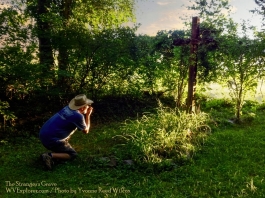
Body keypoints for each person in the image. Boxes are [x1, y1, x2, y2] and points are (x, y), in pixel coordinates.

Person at [39, 94, 93, 170]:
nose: (88, 106)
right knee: (72, 154)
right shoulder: (78, 116)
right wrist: (88, 115)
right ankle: (49, 155)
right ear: (82, 107)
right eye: (87, 105)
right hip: (52, 140)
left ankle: (57, 153)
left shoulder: (66, 108)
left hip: (43, 134)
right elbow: (86, 131)